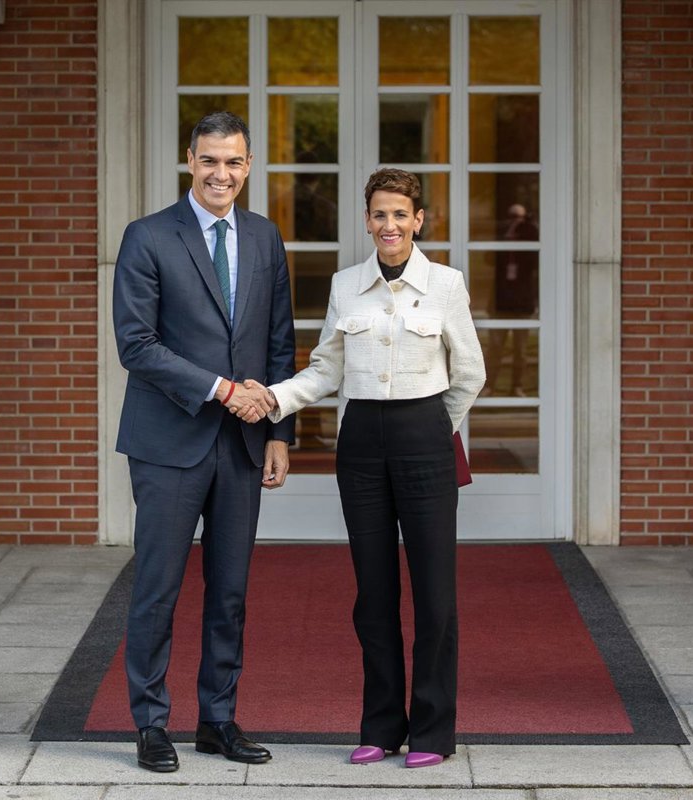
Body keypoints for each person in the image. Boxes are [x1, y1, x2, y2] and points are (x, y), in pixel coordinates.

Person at [253, 167, 484, 768]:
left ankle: (432, 732)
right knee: (373, 594)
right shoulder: (345, 285)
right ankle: (381, 726)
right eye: (380, 214)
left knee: (434, 594)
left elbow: (469, 373)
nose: (390, 225)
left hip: (425, 438)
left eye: (400, 214)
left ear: (418, 220)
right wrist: (274, 398)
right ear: (367, 220)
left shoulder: (446, 284)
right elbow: (327, 369)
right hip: (359, 446)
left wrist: (432, 427)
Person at [111, 111, 297, 773]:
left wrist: (279, 431)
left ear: (249, 166)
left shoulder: (265, 236)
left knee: (230, 592)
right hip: (169, 442)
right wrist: (222, 390)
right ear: (190, 161)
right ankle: (150, 724)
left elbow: (279, 338)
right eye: (210, 160)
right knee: (157, 588)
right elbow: (136, 345)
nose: (222, 173)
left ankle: (217, 720)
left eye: (234, 161)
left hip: (243, 444)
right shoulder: (147, 236)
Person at [491, 203, 538, 396]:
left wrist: (521, 231)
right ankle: (489, 386)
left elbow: (533, 261)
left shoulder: (529, 235)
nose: (515, 221)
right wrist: (507, 234)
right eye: (512, 217)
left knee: (521, 349)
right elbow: (488, 258)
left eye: (519, 218)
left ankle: (517, 386)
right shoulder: (501, 236)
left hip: (522, 301)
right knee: (495, 347)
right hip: (501, 300)